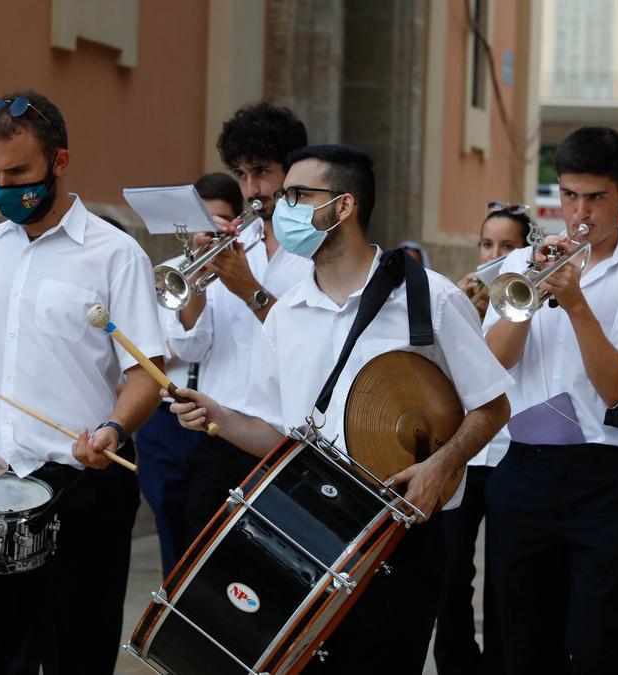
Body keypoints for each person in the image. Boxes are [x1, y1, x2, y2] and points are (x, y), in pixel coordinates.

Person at [171, 144, 512, 673]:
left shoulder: (431, 299)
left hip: (399, 533)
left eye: (297, 196)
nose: (281, 208)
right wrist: (214, 413)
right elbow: (275, 432)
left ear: (344, 206)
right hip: (309, 527)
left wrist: (440, 465)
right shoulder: (286, 316)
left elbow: (492, 405)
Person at [0, 90, 163, 674]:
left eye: (18, 172)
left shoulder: (115, 254)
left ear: (59, 162)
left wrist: (113, 429)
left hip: (80, 485)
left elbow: (146, 373)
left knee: (74, 655)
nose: (3, 187)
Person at [483, 127, 618, 674]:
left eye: (594, 197)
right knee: (524, 644)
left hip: (605, 475)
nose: (579, 213)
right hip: (523, 471)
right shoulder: (522, 265)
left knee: (597, 643)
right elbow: (492, 365)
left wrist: (574, 303)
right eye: (569, 196)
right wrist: (535, 289)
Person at [164, 102, 312, 545]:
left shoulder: (318, 249)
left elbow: (310, 347)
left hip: (286, 446)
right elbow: (191, 349)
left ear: (294, 170)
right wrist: (198, 281)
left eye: (262, 172)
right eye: (242, 174)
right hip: (219, 437)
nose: (252, 187)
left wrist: (248, 288)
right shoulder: (235, 243)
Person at [434, 200, 532, 675]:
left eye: (507, 245)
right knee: (451, 572)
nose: (493, 253)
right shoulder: (459, 297)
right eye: (487, 243)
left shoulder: (531, 293)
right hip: (467, 452)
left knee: (507, 578)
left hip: (513, 448)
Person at [133, 172, 243, 574]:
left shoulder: (244, 277)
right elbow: (173, 347)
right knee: (171, 529)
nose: (206, 234)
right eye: (202, 222)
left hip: (222, 423)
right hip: (166, 420)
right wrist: (195, 280)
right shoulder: (167, 273)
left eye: (218, 223)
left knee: (214, 542)